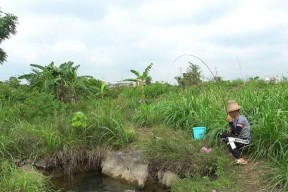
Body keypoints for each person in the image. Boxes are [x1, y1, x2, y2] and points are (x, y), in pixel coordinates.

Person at [220, 100, 251, 165]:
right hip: (239, 139)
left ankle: (240, 158)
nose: (229, 113)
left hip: (245, 140)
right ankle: (234, 150)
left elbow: (237, 133)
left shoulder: (241, 119)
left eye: (230, 112)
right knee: (222, 135)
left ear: (235, 111)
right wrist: (231, 129)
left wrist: (230, 123)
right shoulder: (234, 120)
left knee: (229, 139)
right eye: (229, 112)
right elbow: (234, 133)